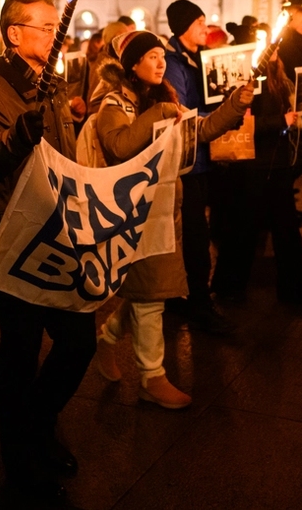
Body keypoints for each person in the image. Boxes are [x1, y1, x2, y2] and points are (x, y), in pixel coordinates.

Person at [0, 0, 95, 504]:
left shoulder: (51, 88)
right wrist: (16, 138)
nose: (53, 32)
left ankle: (39, 424)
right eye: (43, 26)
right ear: (14, 34)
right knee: (19, 353)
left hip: (58, 236)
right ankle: (19, 459)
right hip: (14, 243)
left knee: (78, 340)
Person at [91, 31, 252, 409]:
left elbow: (200, 132)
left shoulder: (163, 99)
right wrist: (158, 115)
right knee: (151, 298)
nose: (160, 63)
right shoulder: (114, 104)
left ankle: (109, 336)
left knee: (154, 289)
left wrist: (233, 106)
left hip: (165, 208)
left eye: (162, 55)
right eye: (150, 57)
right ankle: (151, 376)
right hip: (134, 214)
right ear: (132, 65)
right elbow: (118, 146)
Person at [211, 49, 302, 307]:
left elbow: (295, 113)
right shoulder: (249, 82)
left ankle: (294, 288)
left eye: (275, 47)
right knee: (243, 227)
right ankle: (229, 287)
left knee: (286, 230)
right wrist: (279, 121)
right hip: (253, 167)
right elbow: (242, 123)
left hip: (278, 165)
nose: (273, 50)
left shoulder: (281, 79)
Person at [163, 0, 237, 333]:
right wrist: (220, 117)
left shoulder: (198, 58)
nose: (205, 29)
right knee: (194, 233)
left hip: (203, 158)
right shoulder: (173, 63)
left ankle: (188, 296)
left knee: (198, 230)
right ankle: (197, 301)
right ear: (183, 27)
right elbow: (181, 112)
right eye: (199, 23)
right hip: (186, 161)